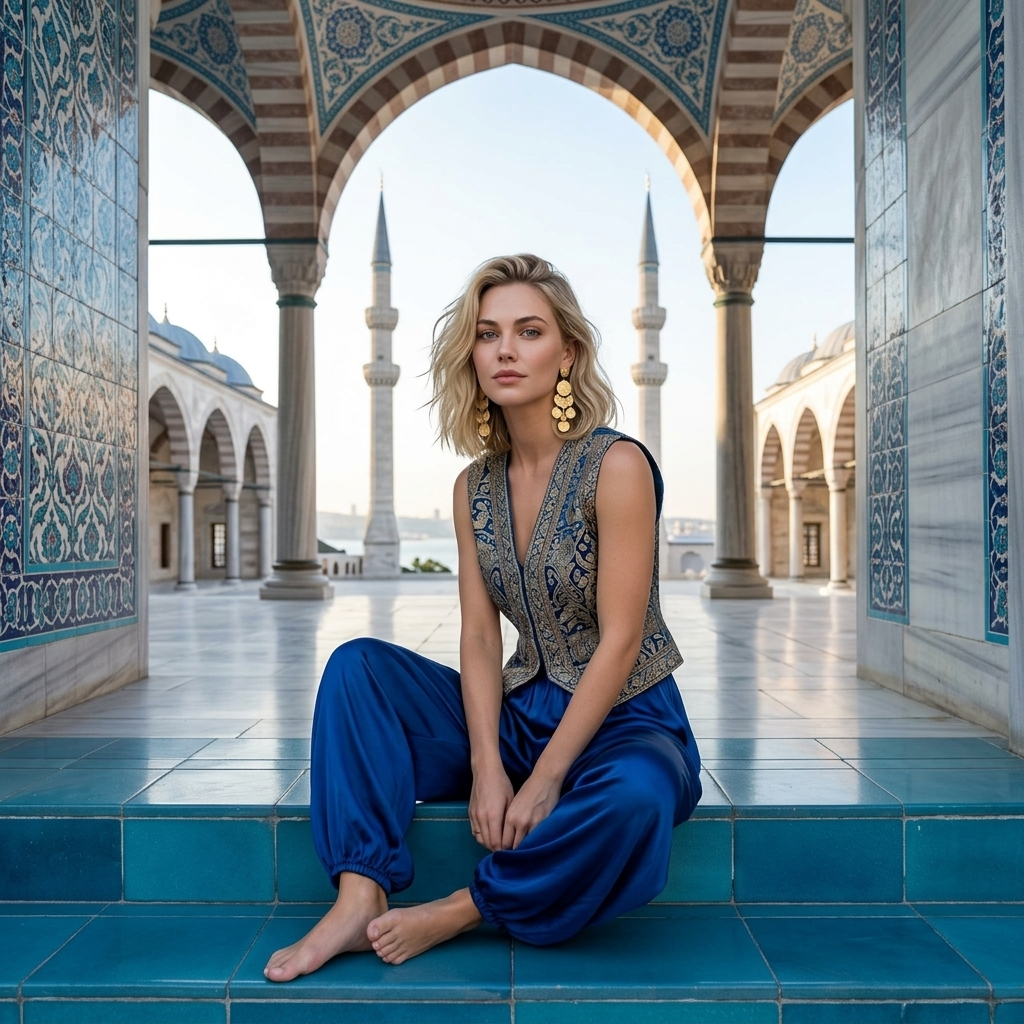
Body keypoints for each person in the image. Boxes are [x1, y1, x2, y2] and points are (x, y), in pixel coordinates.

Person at [264, 254, 701, 981]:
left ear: (567, 352)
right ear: (470, 351)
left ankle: (463, 909)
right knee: (358, 670)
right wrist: (488, 765)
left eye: (529, 331)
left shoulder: (616, 465)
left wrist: (545, 779)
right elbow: (477, 634)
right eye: (488, 332)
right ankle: (358, 894)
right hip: (521, 712)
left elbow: (622, 639)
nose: (505, 349)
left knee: (636, 799)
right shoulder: (474, 486)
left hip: (628, 721)